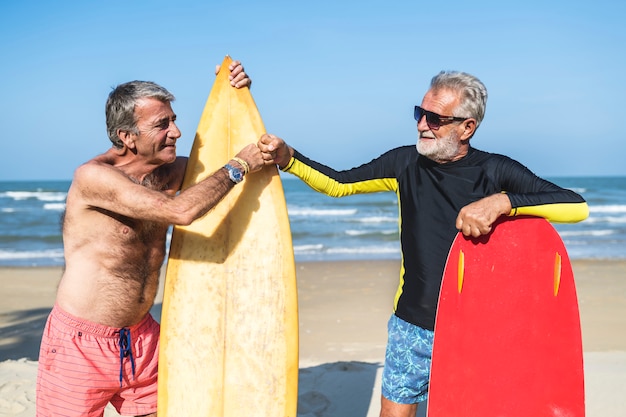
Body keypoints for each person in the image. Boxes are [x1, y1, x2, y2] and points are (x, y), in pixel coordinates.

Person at [258, 70, 589, 417]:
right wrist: (288, 157)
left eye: (435, 119)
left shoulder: (495, 170)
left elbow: (575, 206)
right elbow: (340, 184)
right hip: (411, 324)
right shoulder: (405, 163)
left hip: (474, 328)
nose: (422, 125)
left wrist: (502, 202)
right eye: (420, 113)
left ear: (467, 128)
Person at [36, 60, 265, 417]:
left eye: (173, 120)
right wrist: (240, 166)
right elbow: (182, 210)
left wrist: (235, 94)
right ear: (126, 137)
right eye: (162, 124)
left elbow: (226, 153)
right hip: (80, 345)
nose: (176, 132)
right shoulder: (94, 178)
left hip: (143, 338)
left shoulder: (169, 170)